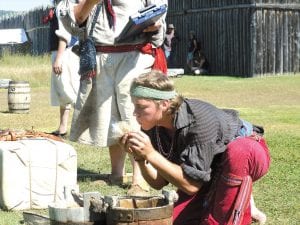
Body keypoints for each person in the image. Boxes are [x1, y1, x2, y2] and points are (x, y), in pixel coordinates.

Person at [119, 70, 271, 224]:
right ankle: (240, 202)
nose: (134, 113)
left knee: (238, 152)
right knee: (175, 220)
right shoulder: (154, 126)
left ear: (164, 104)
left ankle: (238, 205)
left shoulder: (199, 120)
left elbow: (191, 185)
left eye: (141, 107)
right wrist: (140, 157)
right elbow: (158, 182)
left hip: (248, 153)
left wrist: (151, 154)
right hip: (209, 168)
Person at [57, 0, 168, 195]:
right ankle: (116, 174)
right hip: (99, 55)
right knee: (110, 116)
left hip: (134, 53)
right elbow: (71, 21)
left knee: (133, 115)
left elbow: (158, 11)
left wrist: (156, 24)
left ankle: (139, 179)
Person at [43, 0, 80, 137]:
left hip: (65, 53)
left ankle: (81, 128)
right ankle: (63, 128)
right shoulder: (62, 5)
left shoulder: (65, 6)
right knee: (63, 92)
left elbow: (65, 34)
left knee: (70, 91)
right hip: (64, 52)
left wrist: (59, 58)